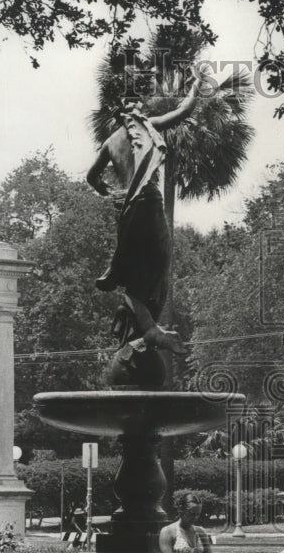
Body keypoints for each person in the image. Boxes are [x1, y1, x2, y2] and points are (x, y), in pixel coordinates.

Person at [86, 69, 207, 358]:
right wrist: (196, 85)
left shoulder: (109, 143)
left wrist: (107, 190)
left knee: (132, 276)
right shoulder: (146, 125)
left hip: (127, 210)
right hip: (149, 201)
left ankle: (144, 328)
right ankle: (150, 329)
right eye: (136, 105)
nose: (138, 107)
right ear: (130, 111)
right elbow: (183, 111)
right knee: (160, 262)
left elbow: (91, 177)